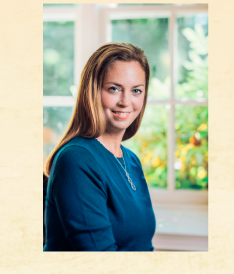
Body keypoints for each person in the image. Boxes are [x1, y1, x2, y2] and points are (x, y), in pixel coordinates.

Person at [44, 42, 155, 251]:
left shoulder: (131, 160)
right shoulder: (76, 159)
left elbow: (143, 246)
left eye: (136, 91)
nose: (126, 101)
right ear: (92, 91)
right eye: (114, 89)